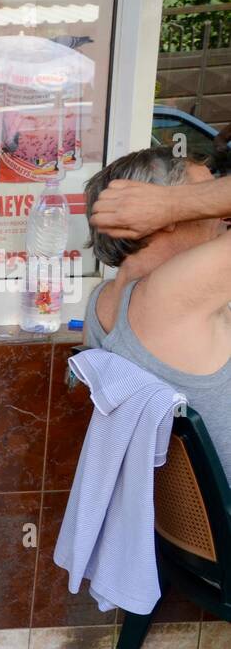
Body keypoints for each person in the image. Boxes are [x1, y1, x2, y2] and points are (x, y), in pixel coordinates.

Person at [84, 148, 231, 467]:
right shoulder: (170, 295)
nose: (222, 213)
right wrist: (171, 204)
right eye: (204, 194)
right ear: (158, 216)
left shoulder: (103, 298)